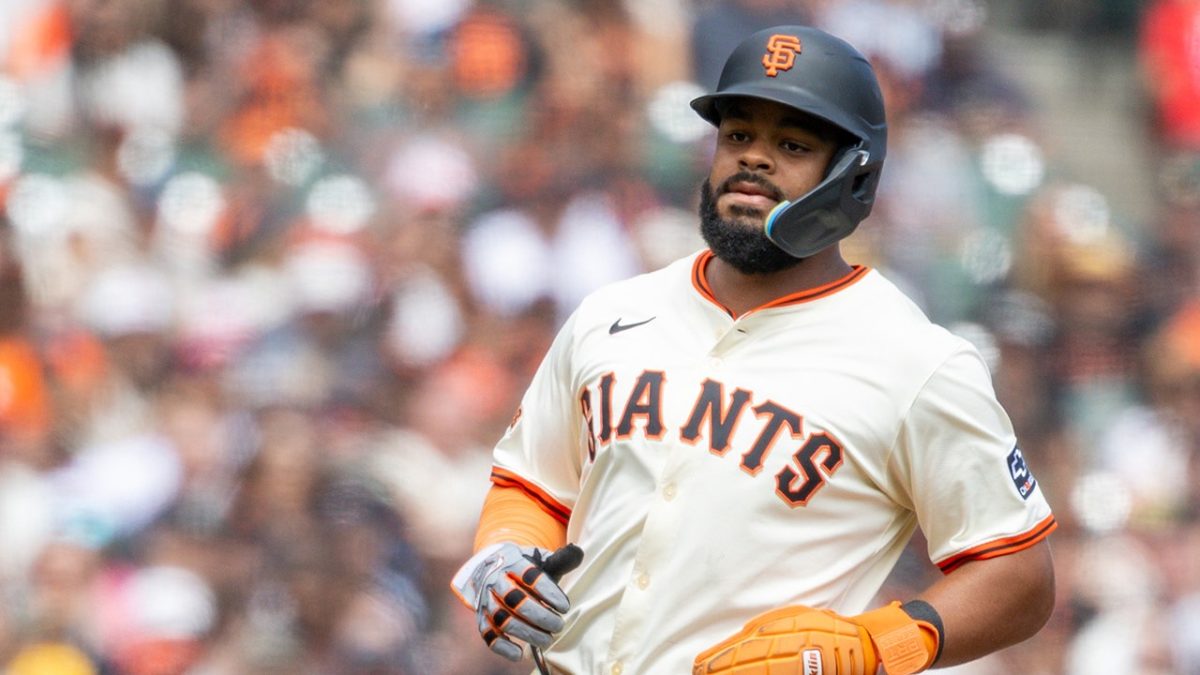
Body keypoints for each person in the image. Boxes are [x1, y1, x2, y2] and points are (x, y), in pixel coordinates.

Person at [451, 25, 1057, 675]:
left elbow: (1019, 571)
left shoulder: (916, 361)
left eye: (791, 144)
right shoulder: (612, 312)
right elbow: (533, 482)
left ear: (853, 174)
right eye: (738, 134)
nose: (754, 159)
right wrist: (504, 555)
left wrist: (880, 644)